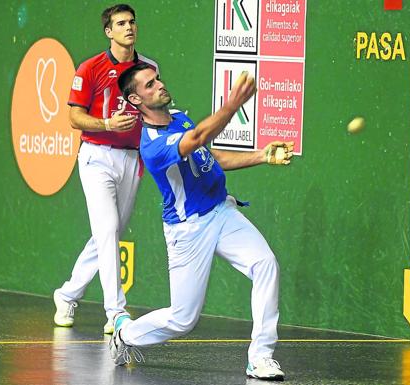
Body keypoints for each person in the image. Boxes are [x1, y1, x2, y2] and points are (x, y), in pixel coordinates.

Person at [108, 63, 294, 381]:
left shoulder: (179, 117)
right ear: (135, 100)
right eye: (149, 85)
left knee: (265, 264)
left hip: (221, 211)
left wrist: (262, 156)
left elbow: (210, 156)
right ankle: (125, 333)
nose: (159, 85)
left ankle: (260, 357)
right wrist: (233, 105)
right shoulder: (151, 144)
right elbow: (195, 138)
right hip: (188, 229)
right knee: (183, 319)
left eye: (158, 80)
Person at [53, 4, 159, 334]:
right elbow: (74, 117)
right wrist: (106, 124)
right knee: (109, 228)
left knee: (108, 234)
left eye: (132, 22)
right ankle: (116, 312)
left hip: (131, 159)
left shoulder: (149, 68)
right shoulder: (91, 68)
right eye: (121, 23)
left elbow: (154, 110)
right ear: (108, 32)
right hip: (96, 156)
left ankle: (68, 293)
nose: (129, 27)